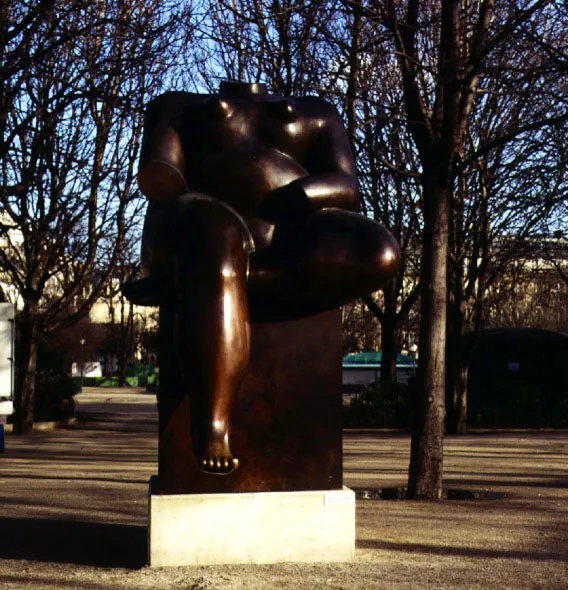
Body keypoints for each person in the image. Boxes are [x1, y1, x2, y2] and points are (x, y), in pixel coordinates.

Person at [125, 81, 399, 474]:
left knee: (379, 250)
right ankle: (212, 424)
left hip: (292, 230)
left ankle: (227, 287)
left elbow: (347, 186)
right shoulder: (178, 105)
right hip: (210, 216)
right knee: (217, 243)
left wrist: (304, 194)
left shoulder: (316, 109)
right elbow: (161, 177)